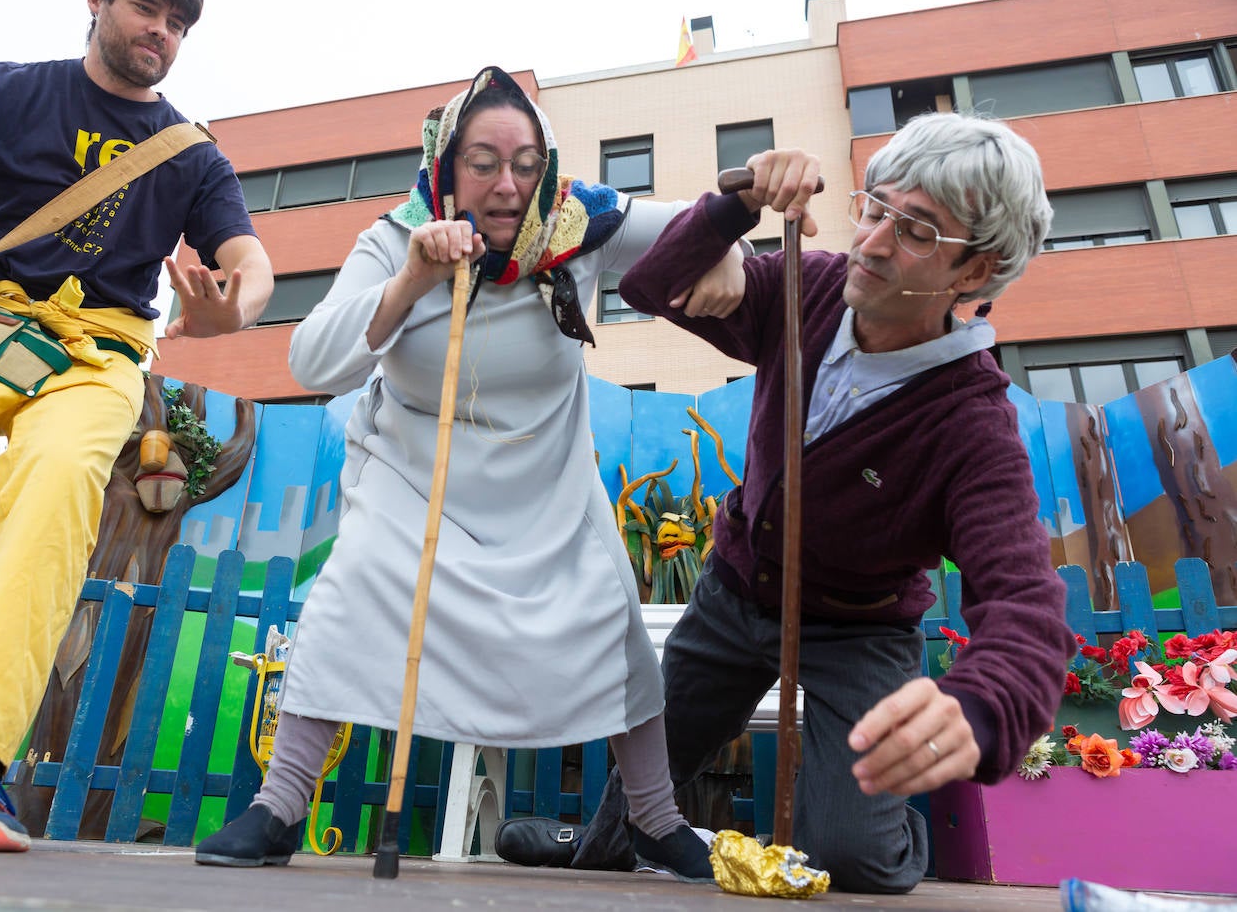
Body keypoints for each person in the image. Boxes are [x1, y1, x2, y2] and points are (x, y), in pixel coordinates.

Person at [504, 112, 1077, 892]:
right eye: (874, 207)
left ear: (977, 271)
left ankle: (863, 832)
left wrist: (980, 708)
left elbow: (1025, 605)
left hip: (860, 629)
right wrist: (736, 206)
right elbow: (651, 284)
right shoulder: (808, 288)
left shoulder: (972, 423)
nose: (873, 242)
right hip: (736, 592)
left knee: (851, 856)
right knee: (639, 802)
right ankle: (600, 839)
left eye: (915, 231)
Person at [194, 66, 739, 881]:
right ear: (447, 167)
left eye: (524, 163)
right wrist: (414, 273)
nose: (507, 183)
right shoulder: (394, 235)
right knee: (349, 593)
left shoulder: (580, 224)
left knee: (612, 615)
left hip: (548, 479)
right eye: (482, 162)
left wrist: (733, 228)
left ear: (547, 168)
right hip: (417, 481)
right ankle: (281, 802)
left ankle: (655, 818)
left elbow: (691, 230)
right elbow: (313, 362)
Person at [0, 0, 273, 852]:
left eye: (180, 20)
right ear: (96, 3)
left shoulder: (193, 157)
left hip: (97, 352)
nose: (162, 29)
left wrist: (230, 312)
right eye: (146, 7)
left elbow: (249, 265)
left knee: (55, 499)